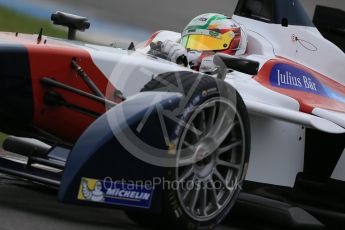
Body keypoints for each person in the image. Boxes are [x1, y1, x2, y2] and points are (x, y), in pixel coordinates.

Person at [148, 13, 248, 74]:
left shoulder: (240, 80)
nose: (198, 51)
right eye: (193, 42)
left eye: (209, 44)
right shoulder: (184, 58)